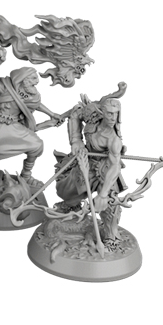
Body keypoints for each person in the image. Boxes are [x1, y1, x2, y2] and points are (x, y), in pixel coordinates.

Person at [0, 46, 63, 180]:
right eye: (33, 79)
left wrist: (52, 114)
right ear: (23, 79)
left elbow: (36, 105)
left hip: (15, 127)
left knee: (37, 145)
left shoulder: (31, 95)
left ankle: (26, 175)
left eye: (36, 79)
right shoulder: (6, 88)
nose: (36, 82)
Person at [55, 94, 125, 239]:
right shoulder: (92, 115)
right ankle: (71, 206)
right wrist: (76, 140)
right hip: (86, 160)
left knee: (110, 202)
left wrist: (103, 194)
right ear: (101, 112)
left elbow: (115, 167)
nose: (113, 118)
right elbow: (76, 112)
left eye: (115, 114)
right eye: (109, 113)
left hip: (105, 168)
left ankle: (111, 236)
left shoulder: (114, 140)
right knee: (68, 187)